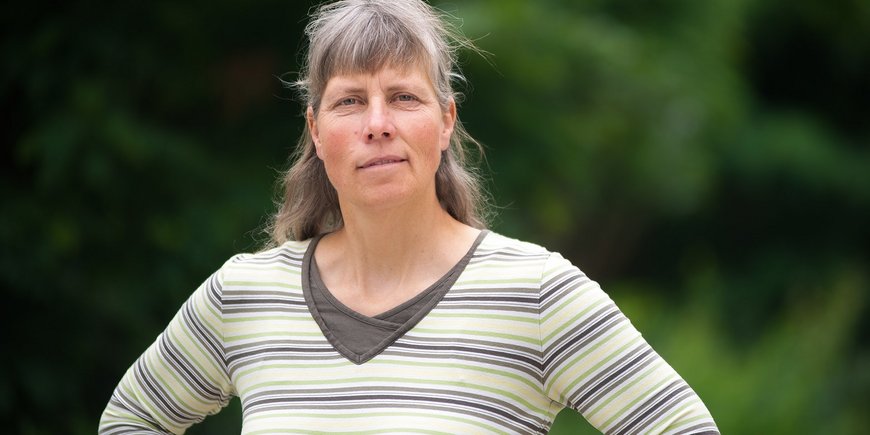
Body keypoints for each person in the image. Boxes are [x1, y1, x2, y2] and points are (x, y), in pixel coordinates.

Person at [99, 0, 719, 433]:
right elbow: (130, 421)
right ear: (316, 132)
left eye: (403, 96)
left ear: (445, 122)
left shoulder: (536, 293)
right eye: (349, 102)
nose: (377, 124)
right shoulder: (245, 294)